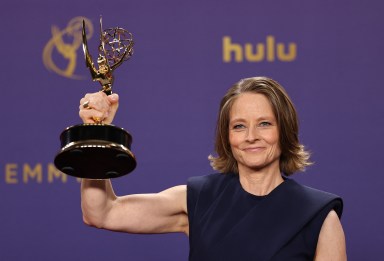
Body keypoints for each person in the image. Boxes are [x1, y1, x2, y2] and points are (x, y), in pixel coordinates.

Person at [79, 76, 346, 261]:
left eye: (265, 123)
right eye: (239, 126)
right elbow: (102, 213)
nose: (251, 136)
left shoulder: (319, 217)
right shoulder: (198, 199)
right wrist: (97, 131)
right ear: (227, 137)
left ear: (285, 130)